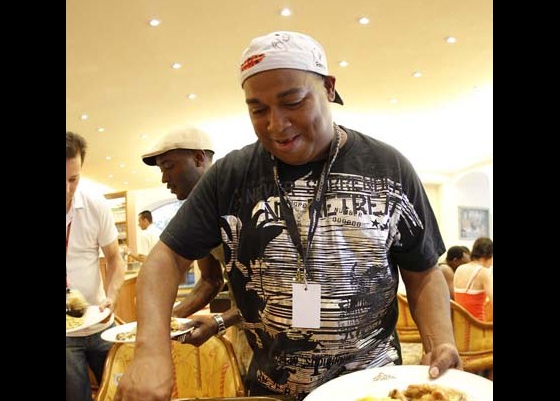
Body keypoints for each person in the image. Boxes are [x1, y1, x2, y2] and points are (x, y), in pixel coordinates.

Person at [115, 30, 460, 401]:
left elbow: (423, 271)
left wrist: (439, 341)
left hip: (373, 386)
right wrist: (150, 350)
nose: (276, 125)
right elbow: (165, 258)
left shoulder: (389, 167)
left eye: (292, 101)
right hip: (272, 389)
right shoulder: (230, 175)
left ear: (328, 88)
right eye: (258, 109)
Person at [140, 125, 227, 343]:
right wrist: (168, 319)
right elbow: (210, 279)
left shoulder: (239, 198)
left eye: (168, 167)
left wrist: (221, 321)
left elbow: (277, 288)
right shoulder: (196, 216)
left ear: (199, 159)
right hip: (249, 327)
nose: (164, 179)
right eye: (161, 170)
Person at [66, 131, 126, 401]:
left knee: (118, 392)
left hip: (100, 322)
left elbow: (115, 259)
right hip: (66, 335)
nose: (67, 189)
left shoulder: (94, 205)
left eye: (73, 179)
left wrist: (112, 296)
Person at [453, 237, 493, 321]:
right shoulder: (483, 272)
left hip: (459, 326)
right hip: (477, 328)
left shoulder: (459, 269)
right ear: (489, 255)